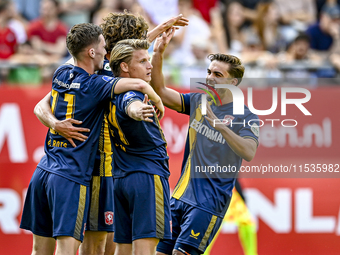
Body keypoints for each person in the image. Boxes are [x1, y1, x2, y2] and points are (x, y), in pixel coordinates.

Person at [33, 12, 188, 255]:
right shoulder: (98, 76)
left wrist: (159, 32)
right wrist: (55, 123)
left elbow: (132, 56)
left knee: (103, 244)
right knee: (95, 245)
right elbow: (41, 105)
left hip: (97, 166)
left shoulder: (82, 71)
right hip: (95, 165)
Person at [151, 31, 260, 255]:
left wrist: (222, 127)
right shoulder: (198, 101)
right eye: (209, 72)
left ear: (233, 82)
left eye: (217, 74)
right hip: (179, 197)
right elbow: (160, 91)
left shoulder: (246, 117)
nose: (209, 77)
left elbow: (249, 152)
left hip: (208, 204)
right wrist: (158, 53)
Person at [107, 38, 172, 255]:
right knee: (145, 250)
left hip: (121, 178)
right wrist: (137, 111)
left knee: (123, 249)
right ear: (124, 67)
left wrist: (158, 52)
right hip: (146, 177)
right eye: (143, 61)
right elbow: (131, 104)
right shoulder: (132, 94)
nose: (149, 65)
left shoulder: (107, 89)